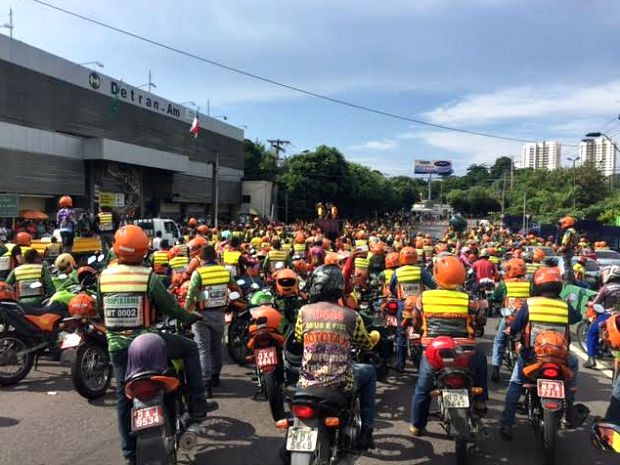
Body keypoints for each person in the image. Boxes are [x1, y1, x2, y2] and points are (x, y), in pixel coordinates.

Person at [98, 225, 208, 465]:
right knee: (189, 348)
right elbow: (170, 308)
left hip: (117, 347)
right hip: (149, 344)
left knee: (122, 396)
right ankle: (198, 404)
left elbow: (100, 312)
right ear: (143, 252)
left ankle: (129, 454)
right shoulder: (147, 276)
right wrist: (191, 317)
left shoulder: (104, 276)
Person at [295, 264, 380, 449]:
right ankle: (367, 431)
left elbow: (298, 337)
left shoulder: (304, 312)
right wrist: (374, 337)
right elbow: (365, 343)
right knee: (370, 372)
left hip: (306, 383)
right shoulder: (351, 316)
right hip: (341, 384)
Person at [499, 267, 582, 439]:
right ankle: (568, 411)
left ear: (536, 286)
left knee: (515, 383)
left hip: (532, 357)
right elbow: (577, 318)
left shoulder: (530, 304)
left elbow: (515, 327)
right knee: (571, 377)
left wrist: (512, 331)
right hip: (561, 358)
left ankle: (507, 424)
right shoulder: (564, 306)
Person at [410, 254, 488, 436]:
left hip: (434, 352)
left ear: (436, 275)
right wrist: (480, 314)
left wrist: (422, 331)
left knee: (422, 389)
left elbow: (415, 321)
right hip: (465, 353)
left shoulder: (424, 298)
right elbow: (481, 320)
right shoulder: (468, 299)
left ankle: (417, 425)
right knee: (482, 359)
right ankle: (481, 400)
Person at [185, 245, 236, 398]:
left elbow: (190, 295)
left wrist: (186, 312)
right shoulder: (225, 272)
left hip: (200, 316)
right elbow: (235, 289)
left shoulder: (198, 273)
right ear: (214, 257)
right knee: (216, 347)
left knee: (203, 349)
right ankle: (215, 377)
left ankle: (206, 384)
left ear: (201, 258)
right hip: (219, 315)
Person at [389, 247, 436, 373]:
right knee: (424, 331)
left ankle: (400, 365)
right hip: (419, 305)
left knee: (400, 333)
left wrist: (397, 296)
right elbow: (433, 285)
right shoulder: (421, 271)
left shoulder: (397, 272)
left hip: (403, 305)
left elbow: (391, 287)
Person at [490, 258, 531, 382]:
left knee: (499, 340)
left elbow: (495, 297)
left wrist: (492, 300)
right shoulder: (529, 284)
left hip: (509, 317)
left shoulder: (505, 284)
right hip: (526, 317)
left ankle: (496, 368)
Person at [584, 265, 620, 369]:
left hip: (609, 317)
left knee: (591, 333)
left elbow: (596, 302)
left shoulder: (606, 288)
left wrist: (589, 303)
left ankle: (591, 359)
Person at [557, 216, 577, 283]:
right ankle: (572, 280)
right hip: (571, 250)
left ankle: (567, 282)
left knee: (567, 266)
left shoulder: (568, 231)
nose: (561, 225)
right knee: (569, 266)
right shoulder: (573, 231)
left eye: (563, 223)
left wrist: (561, 249)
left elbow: (565, 242)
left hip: (567, 250)